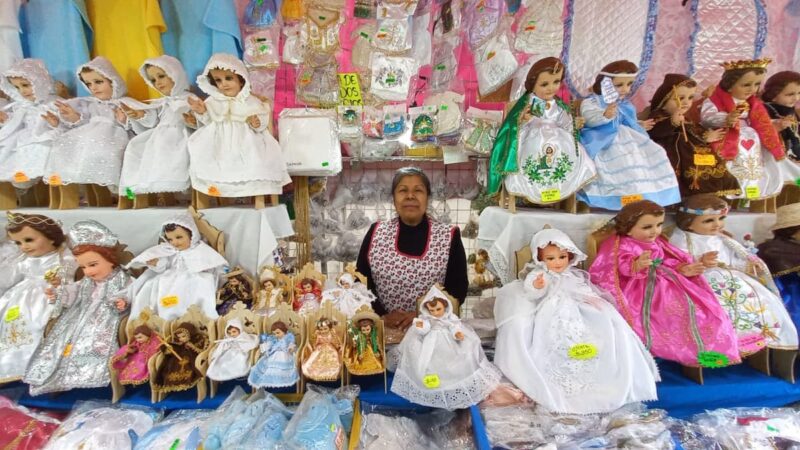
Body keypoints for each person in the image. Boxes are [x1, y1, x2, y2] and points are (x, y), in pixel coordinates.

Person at [356, 167, 468, 330]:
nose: (410, 196)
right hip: (384, 327)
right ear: (393, 199)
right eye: (403, 190)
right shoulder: (376, 232)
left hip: (432, 327)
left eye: (418, 190)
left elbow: (458, 290)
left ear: (427, 198)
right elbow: (361, 282)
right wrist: (382, 315)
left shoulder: (448, 236)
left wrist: (421, 314)